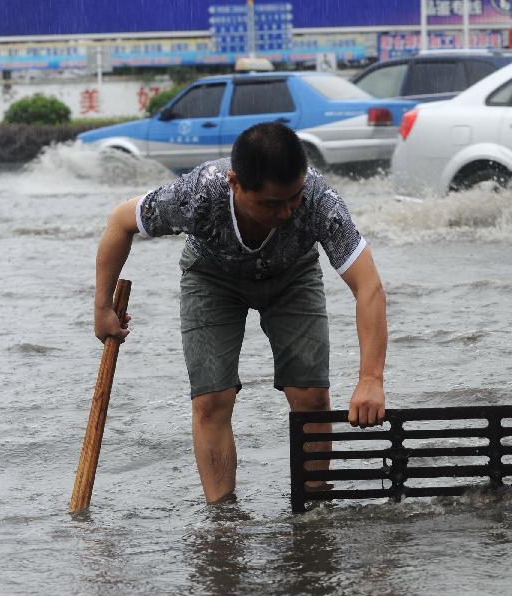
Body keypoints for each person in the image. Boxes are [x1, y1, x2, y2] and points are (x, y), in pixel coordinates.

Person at [93, 122, 387, 503]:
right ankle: (223, 520)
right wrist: (101, 307)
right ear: (235, 183)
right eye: (270, 203)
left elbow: (369, 287)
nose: (285, 213)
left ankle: (315, 506)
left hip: (292, 276)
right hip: (213, 276)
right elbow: (120, 221)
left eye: (292, 199)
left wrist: (370, 378)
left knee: (311, 396)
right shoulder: (200, 194)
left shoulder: (318, 200)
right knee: (212, 399)